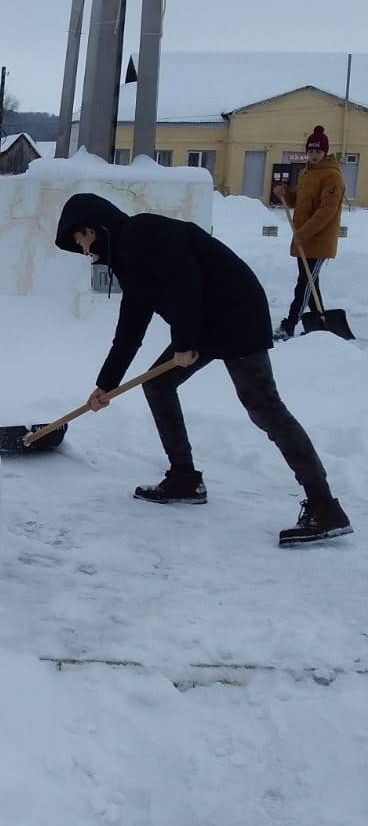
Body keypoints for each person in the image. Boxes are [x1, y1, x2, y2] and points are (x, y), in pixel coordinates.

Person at [55, 192, 352, 547]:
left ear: (93, 227)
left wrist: (184, 343)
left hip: (236, 312)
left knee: (264, 407)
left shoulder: (143, 233)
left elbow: (185, 281)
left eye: (81, 240)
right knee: (159, 384)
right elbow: (130, 329)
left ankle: (324, 506)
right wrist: (106, 385)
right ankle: (184, 477)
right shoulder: (128, 262)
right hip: (207, 321)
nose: (85, 251)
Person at [271, 125, 345, 340]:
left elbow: (326, 211)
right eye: (310, 151)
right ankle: (321, 321)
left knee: (304, 283)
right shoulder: (305, 172)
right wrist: (285, 193)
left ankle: (289, 325)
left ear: (325, 152)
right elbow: (300, 202)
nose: (313, 155)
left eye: (317, 152)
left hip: (320, 239)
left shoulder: (333, 176)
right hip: (304, 238)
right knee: (311, 283)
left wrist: (303, 234)